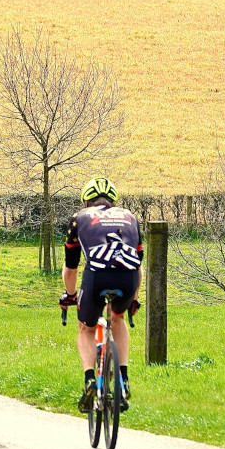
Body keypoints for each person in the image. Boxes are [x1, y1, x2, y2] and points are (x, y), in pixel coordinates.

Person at [58, 177, 142, 414]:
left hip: (97, 277)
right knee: (118, 319)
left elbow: (71, 268)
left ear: (86, 201)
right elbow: (139, 266)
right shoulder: (130, 217)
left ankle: (89, 380)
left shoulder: (79, 218)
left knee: (86, 328)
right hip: (128, 277)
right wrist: (134, 298)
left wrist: (70, 295)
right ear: (113, 201)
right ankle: (124, 380)